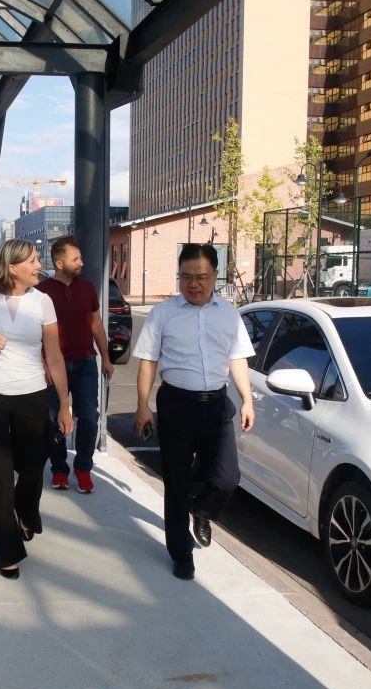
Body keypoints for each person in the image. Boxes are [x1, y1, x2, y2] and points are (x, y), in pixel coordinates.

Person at [132, 243, 255, 581]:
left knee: (227, 478)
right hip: (176, 405)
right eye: (186, 277)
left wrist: (247, 399)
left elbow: (237, 358)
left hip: (216, 405)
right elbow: (148, 362)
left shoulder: (228, 314)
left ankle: (203, 510)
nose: (193, 284)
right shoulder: (163, 314)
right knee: (176, 482)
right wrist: (142, 405)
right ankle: (181, 553)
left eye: (201, 277)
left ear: (215, 275)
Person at [0, 239, 73, 579]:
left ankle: (27, 511)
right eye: (33, 261)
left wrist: (64, 405)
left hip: (32, 395)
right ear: (12, 267)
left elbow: (54, 356)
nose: (39, 266)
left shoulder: (43, 302)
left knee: (33, 468)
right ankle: (6, 550)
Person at [35, 235, 113, 494]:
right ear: (59, 263)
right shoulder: (42, 292)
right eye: (76, 259)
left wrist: (106, 357)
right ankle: (59, 469)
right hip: (52, 366)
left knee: (89, 416)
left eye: (81, 258)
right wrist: (43, 364)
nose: (82, 262)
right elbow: (35, 331)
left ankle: (83, 468)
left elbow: (96, 324)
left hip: (85, 363)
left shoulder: (87, 288)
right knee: (52, 419)